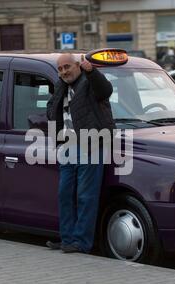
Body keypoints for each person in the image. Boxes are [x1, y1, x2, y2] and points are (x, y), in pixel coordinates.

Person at [46, 53, 115, 254]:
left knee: (86, 196)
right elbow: (52, 109)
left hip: (91, 146)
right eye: (60, 69)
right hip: (67, 147)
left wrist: (92, 71)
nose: (64, 71)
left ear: (78, 66)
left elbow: (106, 90)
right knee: (65, 194)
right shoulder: (60, 85)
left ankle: (82, 243)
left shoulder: (89, 82)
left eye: (67, 66)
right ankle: (67, 239)